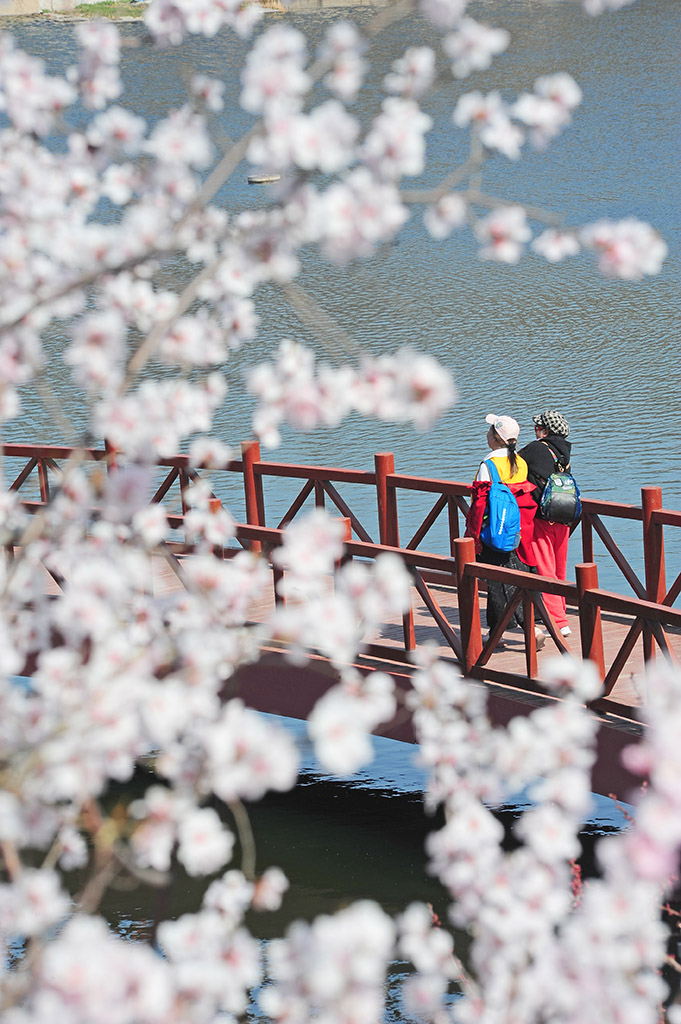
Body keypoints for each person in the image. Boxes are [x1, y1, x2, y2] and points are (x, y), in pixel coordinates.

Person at [466, 414, 538, 639]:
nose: (486, 434)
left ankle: (502, 633)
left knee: (496, 579)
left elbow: (479, 502)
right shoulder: (521, 462)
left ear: (496, 437)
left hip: (495, 529)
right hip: (519, 527)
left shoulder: (489, 464)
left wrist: (473, 534)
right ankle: (527, 627)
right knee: (519, 574)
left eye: (489, 431)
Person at [519, 409, 573, 638]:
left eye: (537, 426)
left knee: (545, 569)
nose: (535, 430)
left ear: (545, 430)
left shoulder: (535, 448)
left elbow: (513, 466)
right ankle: (562, 613)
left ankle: (557, 622)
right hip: (564, 516)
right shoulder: (565, 452)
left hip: (541, 518)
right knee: (559, 569)